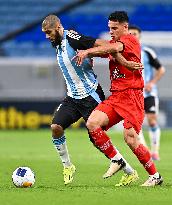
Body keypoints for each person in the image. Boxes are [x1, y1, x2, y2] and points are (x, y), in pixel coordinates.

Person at [42, 15, 140, 186]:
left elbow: (104, 45)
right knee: (56, 127)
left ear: (58, 27)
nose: (47, 36)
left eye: (49, 32)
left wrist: (124, 61)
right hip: (73, 97)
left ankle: (130, 172)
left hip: (90, 95)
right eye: (44, 33)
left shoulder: (72, 38)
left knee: (97, 140)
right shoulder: (57, 44)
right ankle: (68, 166)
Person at [74, 11, 163, 186]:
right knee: (92, 123)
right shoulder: (115, 43)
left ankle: (155, 176)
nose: (111, 31)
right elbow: (108, 50)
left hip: (132, 96)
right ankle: (117, 160)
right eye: (109, 28)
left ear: (125, 27)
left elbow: (113, 49)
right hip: (116, 96)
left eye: (114, 28)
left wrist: (87, 52)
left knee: (130, 138)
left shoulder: (130, 40)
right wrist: (85, 50)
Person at [129, 25, 165, 161]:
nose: (133, 36)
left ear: (140, 36)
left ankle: (155, 151)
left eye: (135, 34)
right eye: (130, 34)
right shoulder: (123, 53)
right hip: (133, 95)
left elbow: (161, 69)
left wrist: (152, 83)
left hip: (148, 93)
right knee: (136, 124)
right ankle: (146, 151)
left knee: (151, 120)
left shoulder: (147, 52)